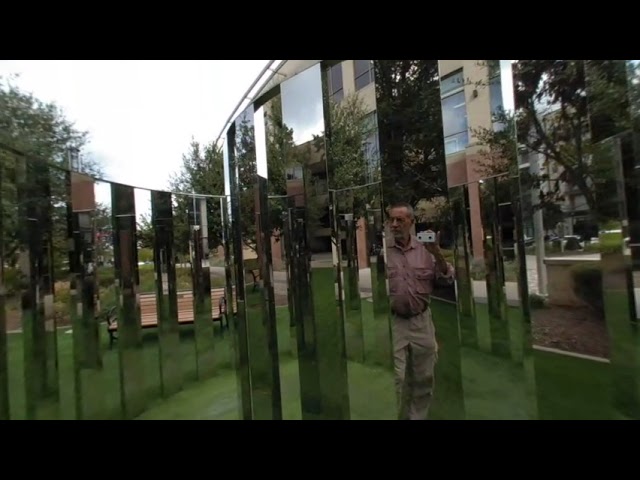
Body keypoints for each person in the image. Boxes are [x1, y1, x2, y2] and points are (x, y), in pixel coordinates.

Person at [386, 202, 454, 420]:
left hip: (422, 322)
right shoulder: (383, 253)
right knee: (396, 377)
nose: (394, 225)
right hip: (396, 322)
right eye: (391, 220)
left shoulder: (426, 251)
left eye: (400, 220)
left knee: (424, 377)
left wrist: (437, 252)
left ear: (411, 223)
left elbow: (447, 278)